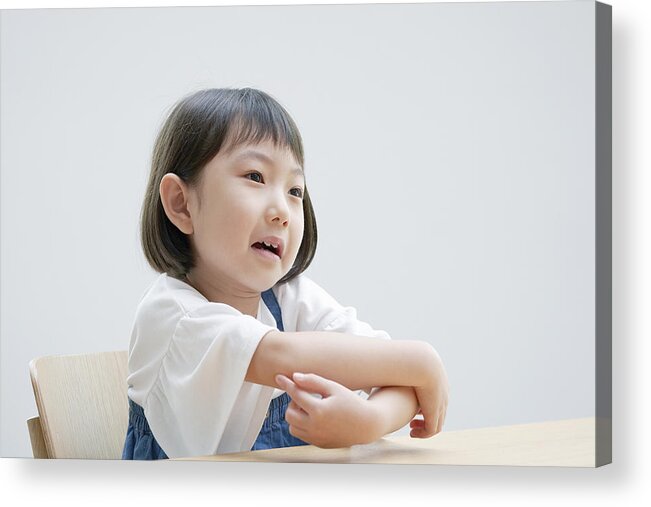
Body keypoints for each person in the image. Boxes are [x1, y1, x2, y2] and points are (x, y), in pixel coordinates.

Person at [122, 88, 449, 460]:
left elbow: (391, 367)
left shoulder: (288, 298)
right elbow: (280, 355)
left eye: (295, 190)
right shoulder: (171, 315)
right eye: (255, 176)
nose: (283, 211)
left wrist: (370, 419)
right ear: (182, 204)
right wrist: (423, 362)